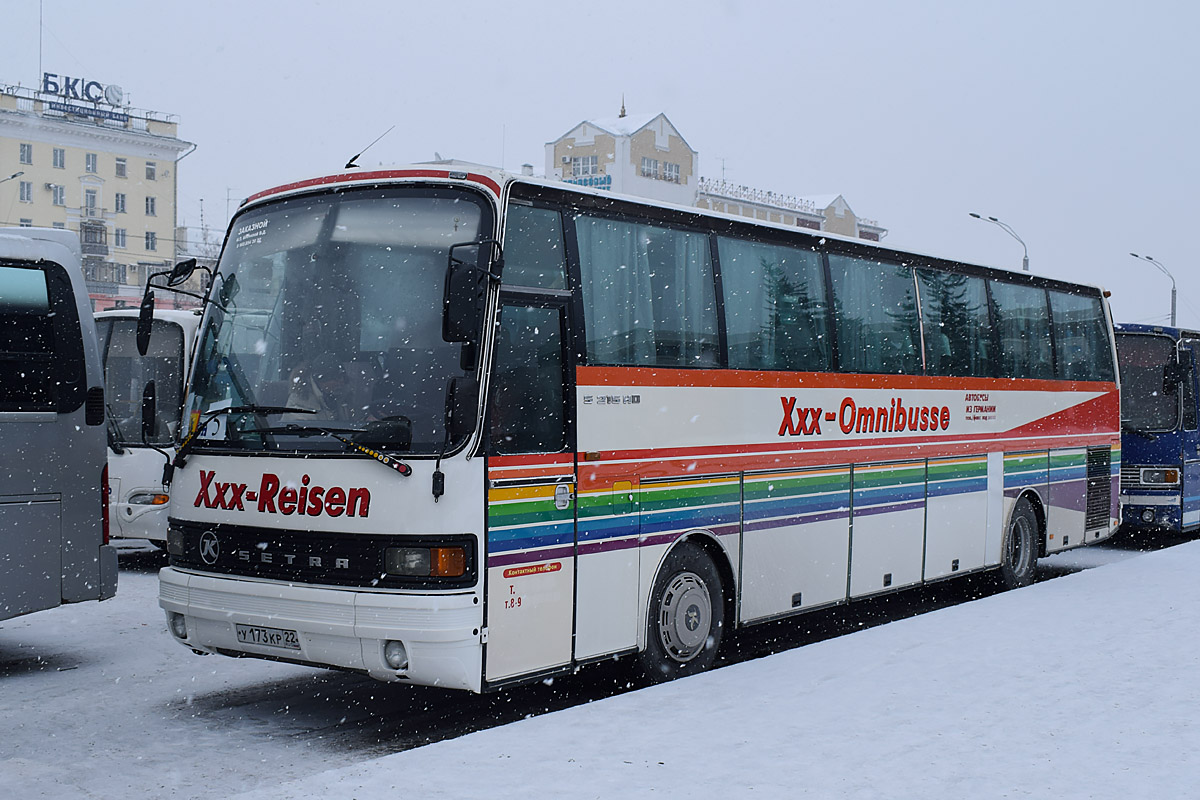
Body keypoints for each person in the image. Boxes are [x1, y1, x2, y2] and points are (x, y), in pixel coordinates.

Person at [285, 354, 350, 420]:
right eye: (336, 378)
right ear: (320, 381)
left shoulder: (342, 398)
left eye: (343, 377)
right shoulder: (299, 404)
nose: (341, 382)